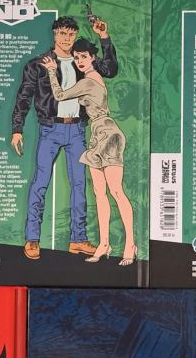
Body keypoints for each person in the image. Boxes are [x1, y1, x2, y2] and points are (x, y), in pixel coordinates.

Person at [10, 15, 118, 260]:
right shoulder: (38, 64)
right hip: (50, 129)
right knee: (40, 182)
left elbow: (110, 70)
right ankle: (32, 238)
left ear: (75, 35)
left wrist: (104, 36)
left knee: (79, 185)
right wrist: (17, 128)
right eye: (62, 33)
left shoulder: (83, 62)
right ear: (54, 34)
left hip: (77, 130)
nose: (67, 38)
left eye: (71, 34)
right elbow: (24, 96)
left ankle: (78, 239)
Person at [41, 38, 136, 265]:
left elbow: (60, 96)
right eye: (76, 58)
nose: (80, 61)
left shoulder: (90, 80)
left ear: (93, 58)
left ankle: (130, 244)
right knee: (99, 193)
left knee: (116, 191)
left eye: (84, 56)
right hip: (96, 134)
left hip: (109, 134)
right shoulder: (89, 78)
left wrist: (52, 71)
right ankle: (104, 244)